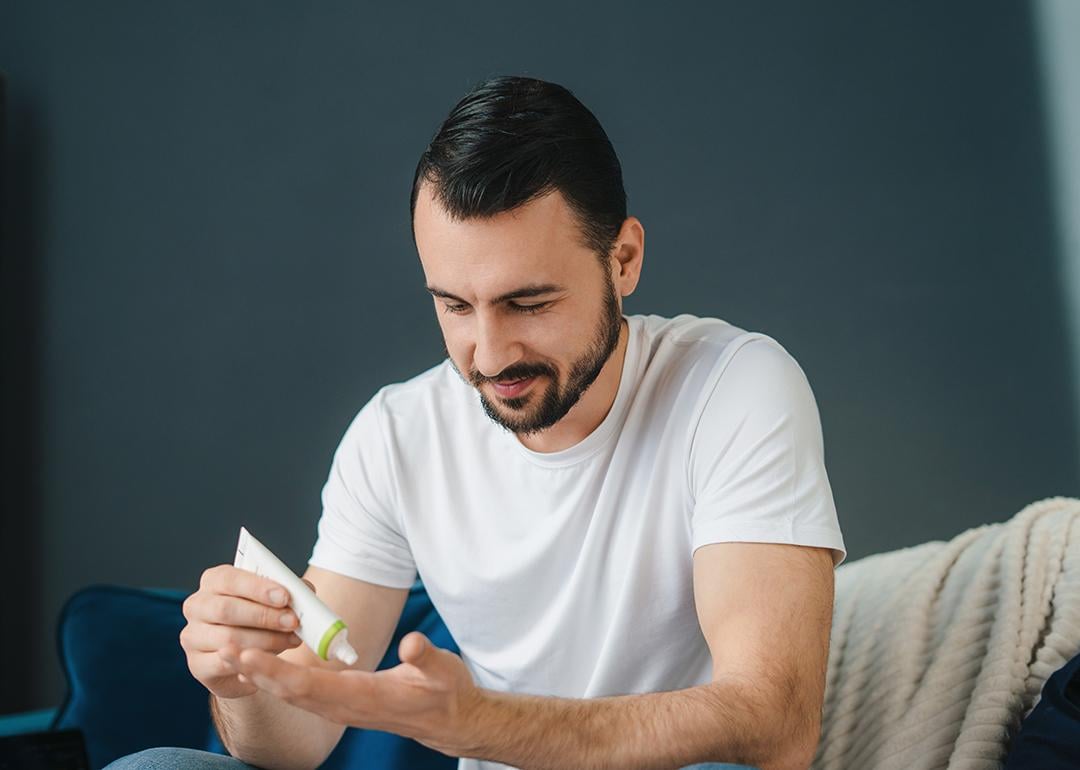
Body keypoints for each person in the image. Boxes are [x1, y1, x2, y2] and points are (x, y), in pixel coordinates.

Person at [108, 75, 845, 770]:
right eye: (455, 306)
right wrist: (246, 682)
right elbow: (297, 743)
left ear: (622, 259)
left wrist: (483, 724)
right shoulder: (398, 435)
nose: (489, 356)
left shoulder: (734, 386)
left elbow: (774, 722)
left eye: (529, 303)